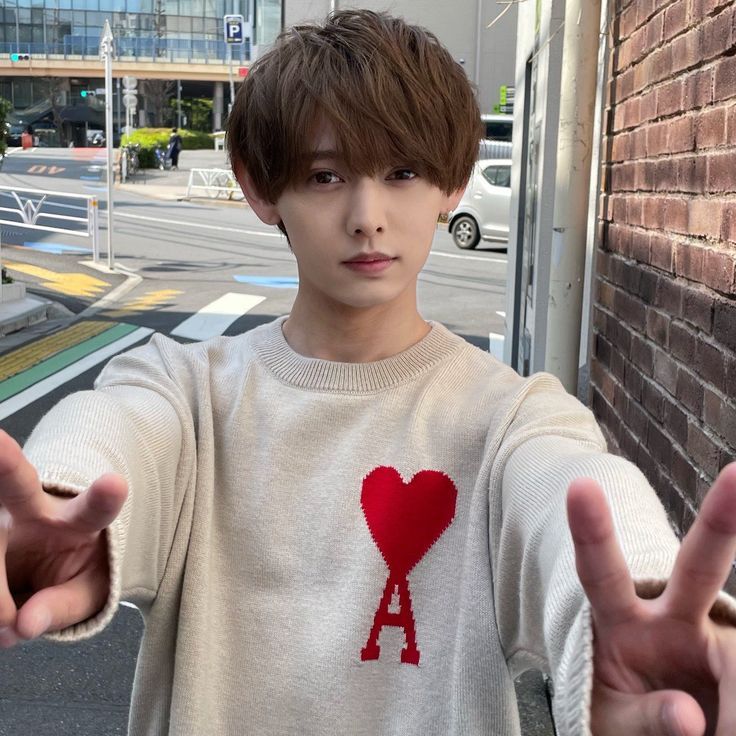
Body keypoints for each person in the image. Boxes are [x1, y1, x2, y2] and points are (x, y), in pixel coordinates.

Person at [1, 10, 735, 736]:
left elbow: (569, 486)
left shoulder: (510, 418)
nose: (367, 215)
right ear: (261, 189)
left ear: (451, 185)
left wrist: (642, 593)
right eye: (325, 176)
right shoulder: (188, 394)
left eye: (403, 172)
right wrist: (58, 490)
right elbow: (117, 425)